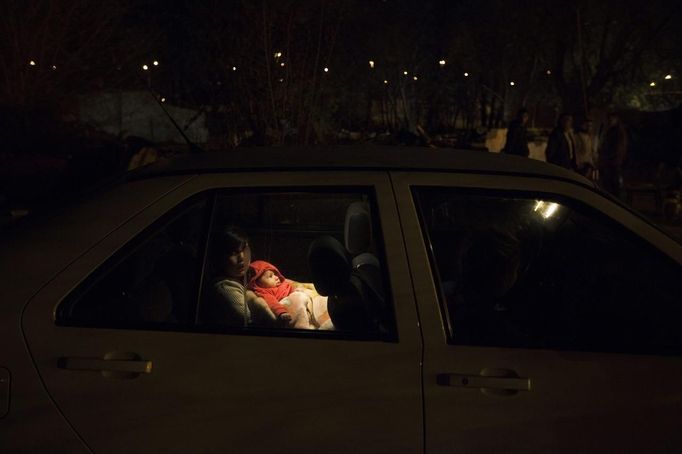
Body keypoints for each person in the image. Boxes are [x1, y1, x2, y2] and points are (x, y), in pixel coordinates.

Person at [202, 226, 276, 327]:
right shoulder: (225, 288)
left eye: (244, 249)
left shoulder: (250, 273)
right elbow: (249, 322)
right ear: (219, 257)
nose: (242, 257)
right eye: (233, 253)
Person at [248, 260, 316, 329]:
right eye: (270, 276)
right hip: (286, 305)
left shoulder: (282, 283)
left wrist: (297, 290)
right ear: (257, 283)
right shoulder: (265, 293)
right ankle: (302, 328)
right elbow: (273, 303)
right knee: (298, 298)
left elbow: (290, 287)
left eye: (275, 274)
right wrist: (281, 312)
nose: (276, 277)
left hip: (304, 298)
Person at [599, 112, 628, 197]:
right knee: (609, 186)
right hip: (610, 162)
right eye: (609, 119)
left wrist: (610, 158)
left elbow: (618, 149)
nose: (610, 121)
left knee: (614, 186)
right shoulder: (610, 131)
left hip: (613, 163)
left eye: (612, 119)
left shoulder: (618, 132)